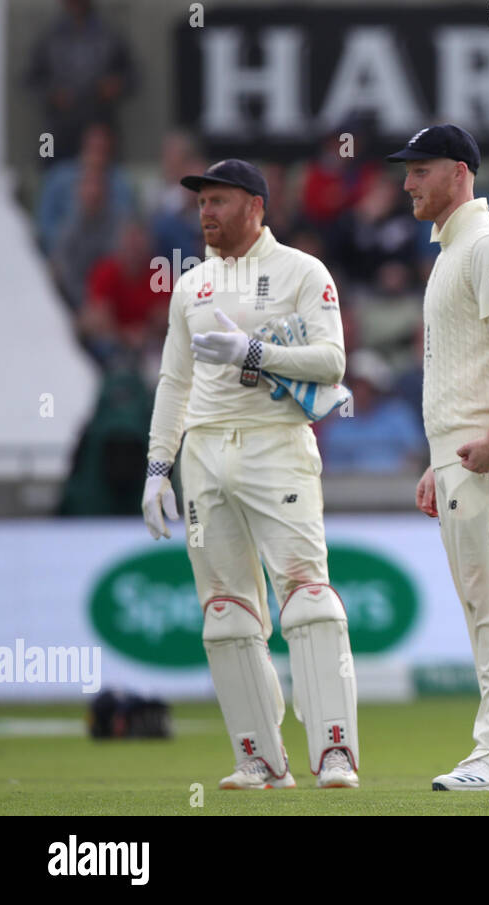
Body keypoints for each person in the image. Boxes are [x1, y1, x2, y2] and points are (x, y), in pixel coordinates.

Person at [141, 159, 359, 790]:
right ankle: (259, 760)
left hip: (275, 444)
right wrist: (159, 467)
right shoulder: (192, 285)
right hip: (204, 455)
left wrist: (255, 353)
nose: (205, 212)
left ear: (255, 206)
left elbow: (332, 361)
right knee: (227, 613)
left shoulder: (301, 271)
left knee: (308, 599)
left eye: (218, 201)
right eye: (201, 202)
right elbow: (174, 382)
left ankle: (335, 753)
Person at [391, 125, 489, 791]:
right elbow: (465, 362)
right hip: (464, 449)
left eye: (419, 170)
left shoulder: (487, 245)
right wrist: (439, 457)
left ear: (458, 171)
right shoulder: (457, 249)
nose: (407, 184)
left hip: (487, 449)